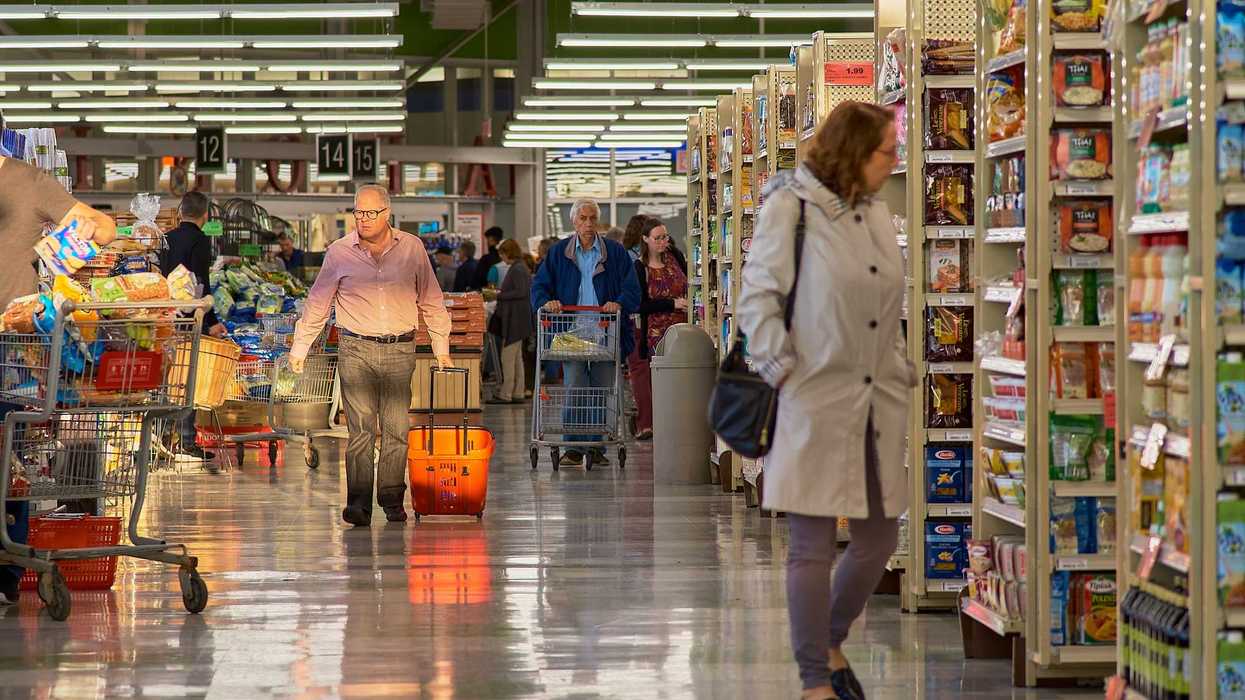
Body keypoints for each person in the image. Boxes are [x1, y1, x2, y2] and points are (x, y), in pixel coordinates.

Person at [736, 101, 912, 700]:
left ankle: (831, 639)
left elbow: (885, 306)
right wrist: (784, 370)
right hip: (812, 397)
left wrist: (899, 366)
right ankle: (816, 678)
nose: (895, 161)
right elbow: (757, 300)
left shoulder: (877, 213)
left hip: (877, 399)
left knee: (878, 539)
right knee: (811, 546)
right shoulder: (792, 207)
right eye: (888, 151)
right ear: (855, 154)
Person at [290, 184, 453, 527]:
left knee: (396, 428)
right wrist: (300, 347)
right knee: (361, 430)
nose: (362, 219)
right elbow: (318, 303)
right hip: (355, 349)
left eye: (370, 213)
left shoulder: (412, 248)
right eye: (358, 212)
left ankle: (392, 499)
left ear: (387, 213)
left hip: (400, 348)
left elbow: (431, 299)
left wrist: (442, 348)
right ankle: (358, 505)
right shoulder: (338, 252)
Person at [0, 152, 118, 606]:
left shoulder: (30, 181)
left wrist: (86, 230)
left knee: (7, 459)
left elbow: (105, 229)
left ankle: (8, 568)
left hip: (11, 341)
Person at [531, 199, 640, 467]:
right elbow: (540, 287)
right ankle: (573, 447)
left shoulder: (615, 253)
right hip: (571, 334)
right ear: (574, 221)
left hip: (606, 332)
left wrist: (619, 303)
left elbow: (632, 289)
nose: (588, 224)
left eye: (592, 218)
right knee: (575, 388)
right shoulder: (558, 253)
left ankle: (596, 447)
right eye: (583, 218)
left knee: (602, 391)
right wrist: (547, 302)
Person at [159, 191, 229, 461]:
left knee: (167, 378)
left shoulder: (167, 237)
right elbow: (202, 284)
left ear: (180, 212)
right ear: (206, 215)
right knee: (188, 377)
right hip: (189, 319)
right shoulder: (200, 240)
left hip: (164, 317)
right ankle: (186, 440)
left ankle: (164, 437)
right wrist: (211, 321)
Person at [629, 217, 688, 441]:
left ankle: (678, 424)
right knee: (659, 382)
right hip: (655, 334)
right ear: (645, 239)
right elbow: (639, 305)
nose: (663, 242)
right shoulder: (639, 267)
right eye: (658, 238)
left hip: (682, 330)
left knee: (682, 381)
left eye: (665, 236)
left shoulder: (676, 256)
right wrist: (672, 304)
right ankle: (655, 424)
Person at [486, 240, 532, 404]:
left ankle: (506, 393)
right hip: (519, 319)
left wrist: (498, 295)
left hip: (514, 320)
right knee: (517, 358)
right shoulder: (520, 267)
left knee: (507, 357)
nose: (501, 257)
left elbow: (520, 291)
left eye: (502, 253)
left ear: (507, 253)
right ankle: (518, 392)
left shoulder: (517, 269)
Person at [470, 226, 505, 291]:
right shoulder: (506, 258)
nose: (487, 243)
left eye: (487, 240)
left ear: (491, 240)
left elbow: (477, 280)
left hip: (488, 293)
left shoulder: (486, 259)